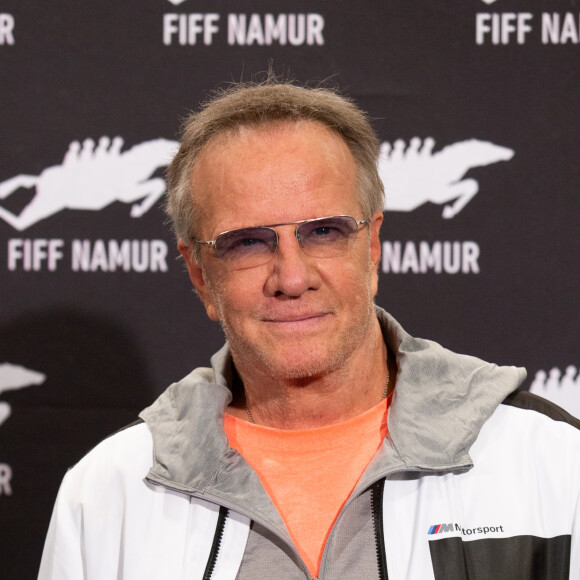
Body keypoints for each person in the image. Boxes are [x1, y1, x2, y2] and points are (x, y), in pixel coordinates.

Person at [39, 80, 580, 580]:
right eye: (247, 242)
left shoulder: (549, 461)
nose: (292, 277)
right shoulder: (108, 494)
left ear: (372, 246)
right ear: (200, 274)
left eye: (324, 232)